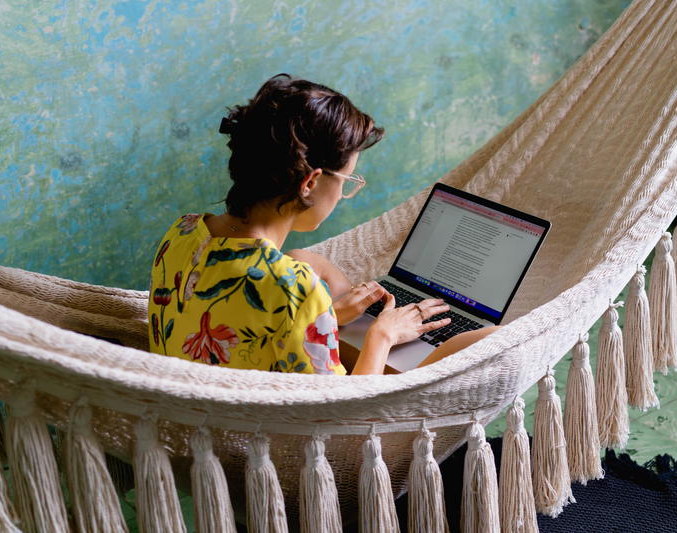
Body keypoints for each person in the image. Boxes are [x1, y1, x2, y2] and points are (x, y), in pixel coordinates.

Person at [148, 74, 497, 375]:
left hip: (198, 423)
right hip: (265, 447)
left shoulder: (182, 231)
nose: (345, 190)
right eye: (346, 180)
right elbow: (343, 419)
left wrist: (325, 315)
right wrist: (382, 334)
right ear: (311, 183)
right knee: (492, 338)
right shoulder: (293, 288)